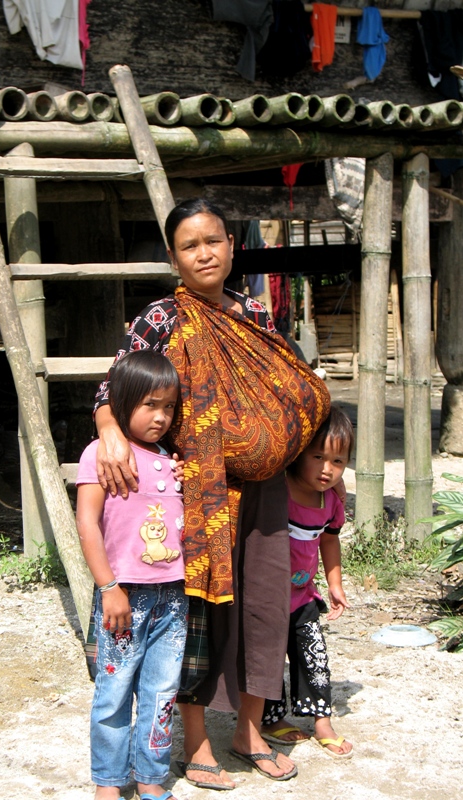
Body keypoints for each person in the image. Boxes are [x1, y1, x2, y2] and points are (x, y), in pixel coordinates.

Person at [93, 198, 330, 788]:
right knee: (199, 614)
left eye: (215, 240)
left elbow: (285, 386)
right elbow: (115, 383)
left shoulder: (252, 313)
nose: (205, 252)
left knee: (265, 603)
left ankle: (248, 731)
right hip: (194, 491)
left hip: (265, 487)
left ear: (231, 246)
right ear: (174, 257)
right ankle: (195, 742)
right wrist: (109, 430)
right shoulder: (162, 319)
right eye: (191, 245)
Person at [76, 350, 188, 800]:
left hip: (173, 598)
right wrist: (108, 587)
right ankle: (108, 781)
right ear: (120, 402)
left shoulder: (174, 459)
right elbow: (87, 523)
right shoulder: (100, 454)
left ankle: (150, 777)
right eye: (149, 405)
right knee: (113, 693)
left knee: (161, 694)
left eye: (169, 407)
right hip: (124, 597)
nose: (160, 417)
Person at [261, 405, 354, 759]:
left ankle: (321, 721)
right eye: (318, 457)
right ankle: (270, 719)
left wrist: (335, 584)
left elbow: (329, 540)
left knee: (313, 656)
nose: (327, 469)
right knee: (268, 658)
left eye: (338, 462)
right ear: (299, 453)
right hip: (267, 596)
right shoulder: (276, 489)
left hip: (302, 597)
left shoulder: (330, 501)